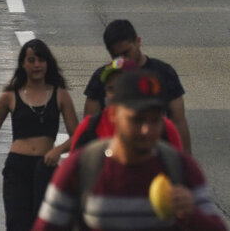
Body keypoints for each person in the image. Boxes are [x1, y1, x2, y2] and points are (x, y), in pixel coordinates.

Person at [33, 70, 229, 231]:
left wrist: (192, 214)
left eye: (155, 120)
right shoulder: (81, 167)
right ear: (113, 115)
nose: (147, 130)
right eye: (137, 119)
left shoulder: (180, 167)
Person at [0, 39, 79, 231]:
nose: (36, 65)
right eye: (31, 60)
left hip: (46, 167)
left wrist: (58, 150)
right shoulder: (10, 96)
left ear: (48, 63)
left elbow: (78, 135)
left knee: (48, 225)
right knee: (18, 224)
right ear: (23, 64)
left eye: (41, 60)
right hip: (17, 169)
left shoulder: (60, 95)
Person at [82, 19, 191, 153]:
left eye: (127, 52)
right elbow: (88, 124)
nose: (123, 59)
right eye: (116, 56)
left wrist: (185, 159)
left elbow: (178, 120)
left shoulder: (164, 73)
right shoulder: (102, 77)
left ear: (138, 41)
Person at [70, 57, 184, 152]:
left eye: (121, 87)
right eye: (110, 89)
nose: (114, 95)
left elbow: (181, 170)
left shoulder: (165, 128)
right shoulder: (89, 128)